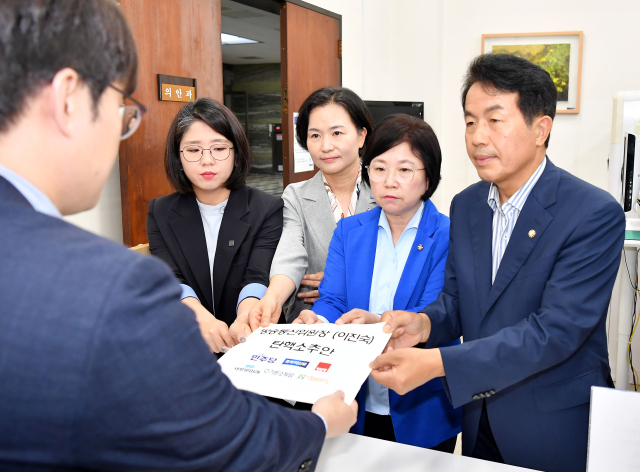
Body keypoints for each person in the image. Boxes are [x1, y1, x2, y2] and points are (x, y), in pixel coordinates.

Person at [0, 1, 357, 470]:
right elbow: (215, 438)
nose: (121, 132)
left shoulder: (265, 206)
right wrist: (320, 423)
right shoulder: (110, 285)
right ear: (69, 98)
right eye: (121, 109)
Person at [369, 54, 625, 472]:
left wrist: (436, 364)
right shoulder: (467, 205)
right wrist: (422, 325)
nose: (477, 137)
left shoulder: (592, 212)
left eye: (494, 120)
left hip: (551, 423)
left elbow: (555, 332)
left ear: (541, 128)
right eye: (470, 122)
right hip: (478, 415)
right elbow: (456, 300)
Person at [290, 114, 462, 451]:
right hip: (356, 396)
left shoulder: (447, 235)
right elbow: (332, 299)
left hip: (422, 403)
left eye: (405, 169)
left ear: (429, 178)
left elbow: (434, 313)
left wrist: (375, 324)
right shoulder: (350, 231)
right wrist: (318, 320)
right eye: (379, 168)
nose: (389, 181)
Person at [230, 87, 377, 340]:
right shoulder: (295, 195)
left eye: (337, 133)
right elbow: (290, 256)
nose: (326, 146)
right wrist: (273, 298)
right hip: (313, 328)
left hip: (376, 325)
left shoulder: (388, 190)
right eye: (315, 135)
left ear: (361, 135)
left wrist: (339, 283)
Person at [147, 98, 283, 353]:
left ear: (236, 152)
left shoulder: (267, 208)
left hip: (251, 342)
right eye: (193, 150)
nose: (206, 160)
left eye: (219, 149)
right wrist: (201, 317)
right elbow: (170, 277)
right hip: (187, 342)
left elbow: (256, 276)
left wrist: (245, 317)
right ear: (178, 156)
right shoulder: (160, 211)